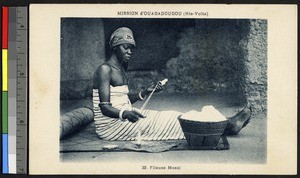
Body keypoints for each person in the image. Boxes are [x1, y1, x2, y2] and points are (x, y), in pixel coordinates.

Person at [92, 27, 251, 141]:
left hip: (122, 118)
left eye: (131, 48)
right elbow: (105, 107)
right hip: (111, 126)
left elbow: (122, 101)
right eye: (126, 47)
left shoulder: (119, 69)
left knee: (170, 115)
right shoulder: (105, 70)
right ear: (114, 47)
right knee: (174, 121)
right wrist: (124, 114)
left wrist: (145, 92)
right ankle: (229, 126)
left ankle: (224, 121)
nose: (130, 52)